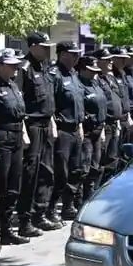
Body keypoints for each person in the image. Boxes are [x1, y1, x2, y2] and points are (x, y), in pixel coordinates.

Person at [0, 48, 30, 247]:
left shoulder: (13, 86)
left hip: (16, 137)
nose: (15, 68)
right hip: (0, 139)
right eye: (11, 65)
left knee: (13, 187)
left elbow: (20, 113)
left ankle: (7, 229)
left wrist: (24, 132)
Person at [18, 32, 59, 235]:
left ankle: (39, 214)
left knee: (46, 171)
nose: (46, 50)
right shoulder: (23, 69)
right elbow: (20, 102)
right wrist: (23, 130)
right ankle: (24, 219)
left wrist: (51, 121)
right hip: (32, 125)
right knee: (30, 173)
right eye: (43, 46)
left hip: (45, 124)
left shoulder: (44, 68)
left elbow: (48, 100)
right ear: (33, 46)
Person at [49, 41, 86, 222]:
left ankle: (68, 206)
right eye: (73, 54)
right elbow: (51, 104)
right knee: (60, 172)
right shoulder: (54, 75)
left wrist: (80, 126)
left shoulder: (74, 74)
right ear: (62, 54)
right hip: (62, 129)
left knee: (75, 169)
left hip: (75, 128)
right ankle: (51, 208)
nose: (76, 57)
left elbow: (78, 103)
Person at [77, 55, 108, 209]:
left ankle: (90, 198)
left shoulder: (95, 83)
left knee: (96, 167)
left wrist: (102, 128)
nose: (94, 73)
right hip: (87, 131)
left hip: (98, 129)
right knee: (84, 167)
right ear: (82, 69)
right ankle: (79, 201)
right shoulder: (79, 85)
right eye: (91, 70)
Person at [96, 48, 126, 177]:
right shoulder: (95, 79)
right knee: (101, 161)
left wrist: (118, 121)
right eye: (107, 60)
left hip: (114, 123)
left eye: (111, 59)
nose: (111, 62)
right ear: (98, 61)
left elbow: (118, 98)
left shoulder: (110, 78)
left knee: (113, 159)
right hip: (105, 125)